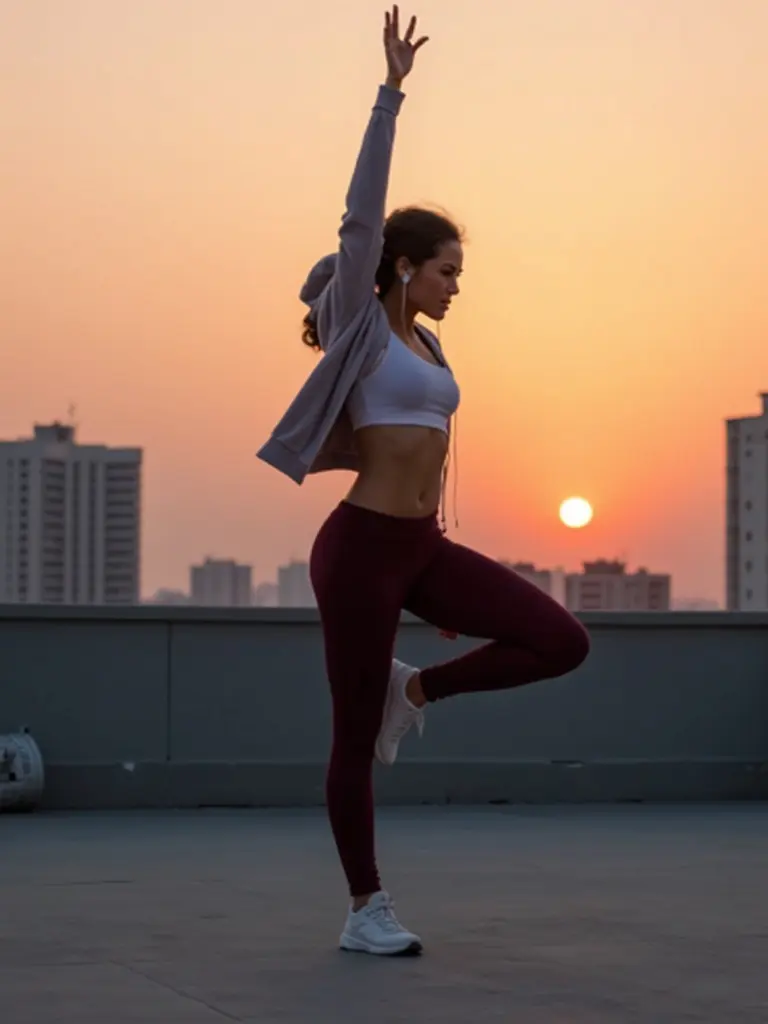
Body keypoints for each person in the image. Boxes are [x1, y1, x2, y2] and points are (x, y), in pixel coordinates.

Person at [257, 6, 590, 957]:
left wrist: (434, 582)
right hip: (359, 550)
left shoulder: (431, 347)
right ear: (400, 269)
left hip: (421, 547)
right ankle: (366, 908)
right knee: (351, 734)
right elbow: (360, 213)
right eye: (446, 269)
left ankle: (421, 696)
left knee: (559, 638)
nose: (456, 284)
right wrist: (390, 95)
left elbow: (429, 457)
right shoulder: (365, 329)